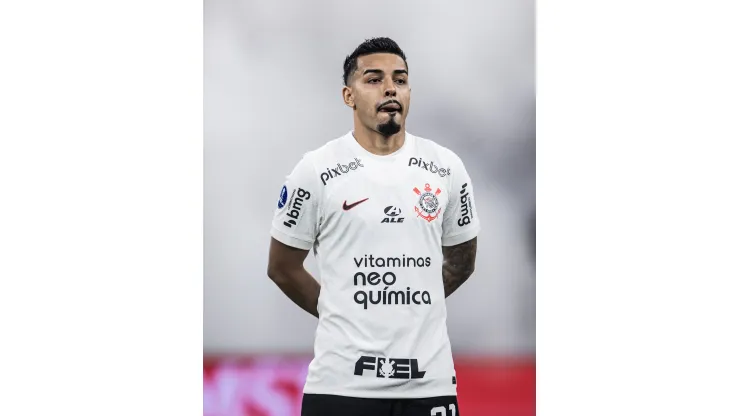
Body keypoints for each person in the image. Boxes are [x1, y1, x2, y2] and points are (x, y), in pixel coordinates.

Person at [267, 37, 479, 416]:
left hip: (428, 384)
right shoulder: (316, 170)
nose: (390, 88)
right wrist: (341, 310)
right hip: (340, 385)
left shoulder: (446, 167)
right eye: (374, 79)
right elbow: (281, 267)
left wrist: (413, 306)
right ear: (349, 96)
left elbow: (462, 261)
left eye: (400, 79)